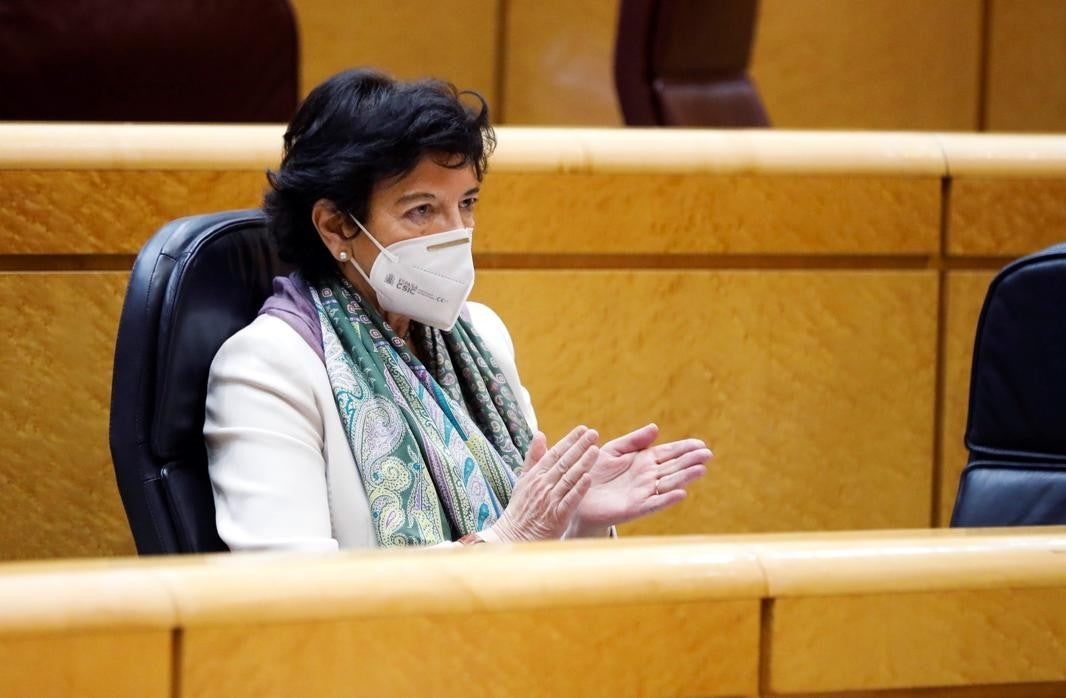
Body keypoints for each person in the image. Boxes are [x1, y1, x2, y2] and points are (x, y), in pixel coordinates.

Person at [204, 68, 712, 551]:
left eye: (466, 203)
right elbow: (289, 594)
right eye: (421, 210)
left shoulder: (482, 336)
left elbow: (526, 538)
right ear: (336, 226)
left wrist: (573, 519)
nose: (455, 234)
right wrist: (506, 540)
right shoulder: (266, 369)